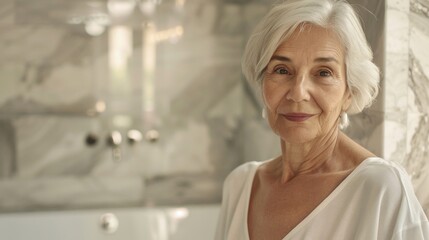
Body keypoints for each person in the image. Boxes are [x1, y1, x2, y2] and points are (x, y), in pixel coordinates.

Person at [214, 0, 429, 239]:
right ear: (262, 81)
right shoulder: (241, 185)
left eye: (323, 73)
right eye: (282, 70)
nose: (298, 92)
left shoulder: (381, 189)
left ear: (350, 92)